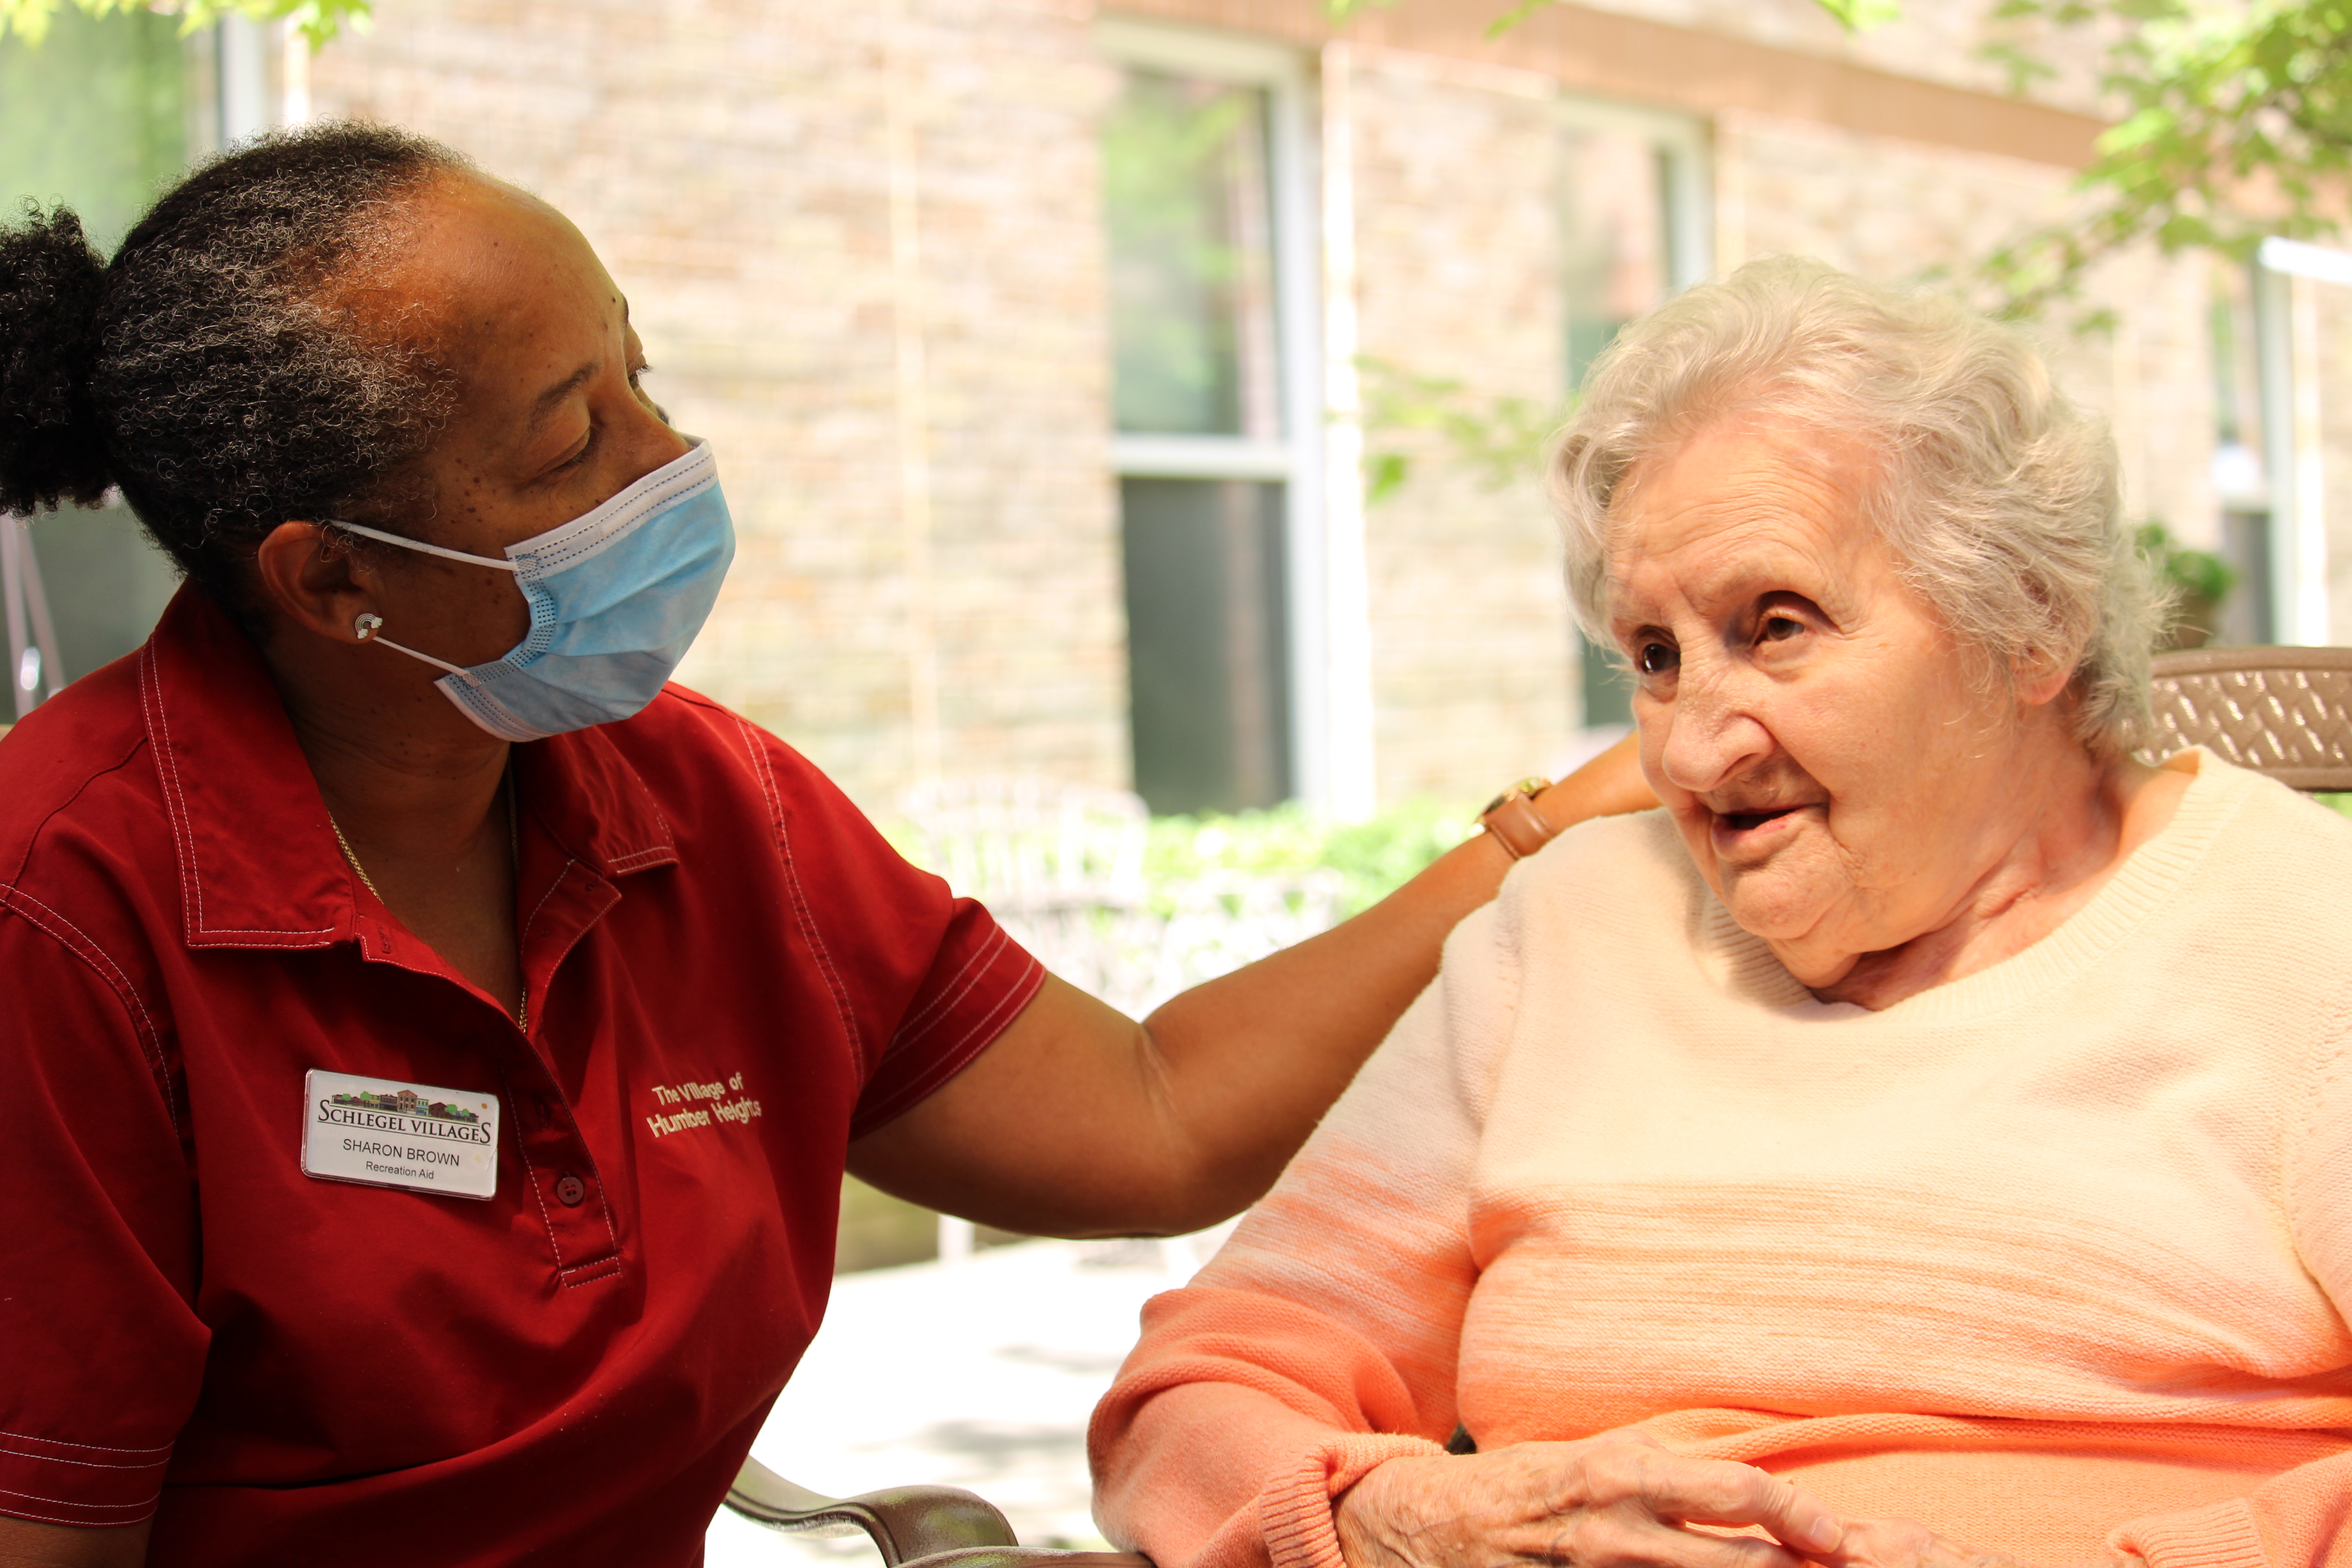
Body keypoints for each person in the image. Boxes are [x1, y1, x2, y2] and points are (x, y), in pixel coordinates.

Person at [0, 125, 1655, 1568]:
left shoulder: (703, 811)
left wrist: (1538, 842)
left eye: (643, 379)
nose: (671, 468)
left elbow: (1151, 1120)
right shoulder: (66, 916)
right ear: (331, 581)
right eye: (573, 445)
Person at [1089, 255, 2352, 1568]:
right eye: (1654, 655)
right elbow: (1195, 1394)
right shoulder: (1566, 932)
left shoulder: (2301, 943)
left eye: (1778, 624)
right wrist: (1399, 1517)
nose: (1691, 751)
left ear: (2027, 621)